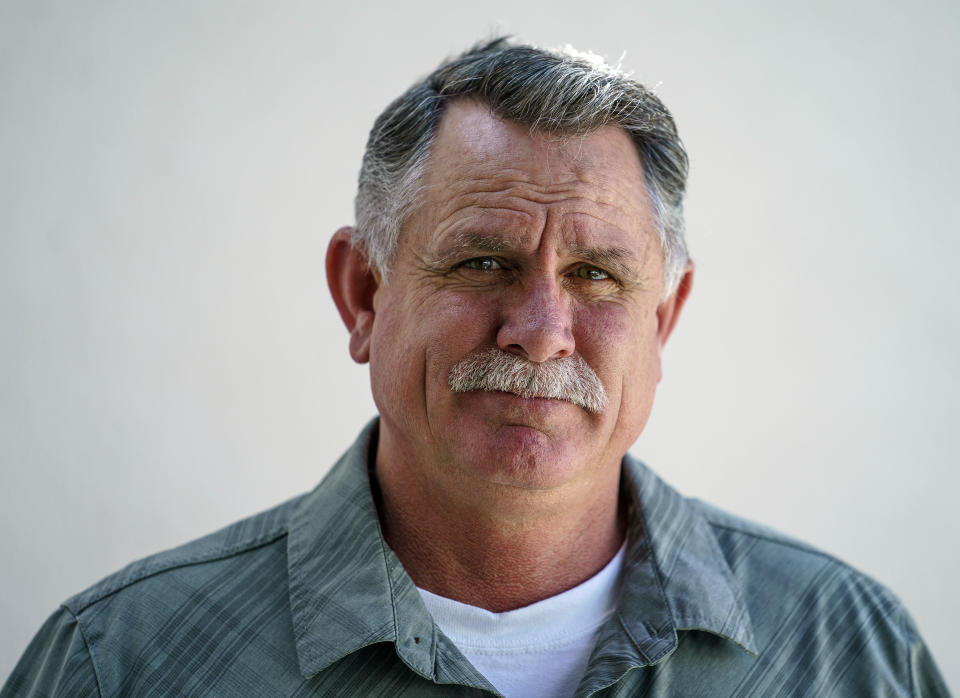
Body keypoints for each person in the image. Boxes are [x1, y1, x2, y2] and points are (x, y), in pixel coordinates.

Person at [3, 37, 949, 698]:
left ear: (665, 322)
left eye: (597, 275)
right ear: (363, 293)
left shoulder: (848, 653)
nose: (540, 331)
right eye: (482, 262)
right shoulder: (121, 665)